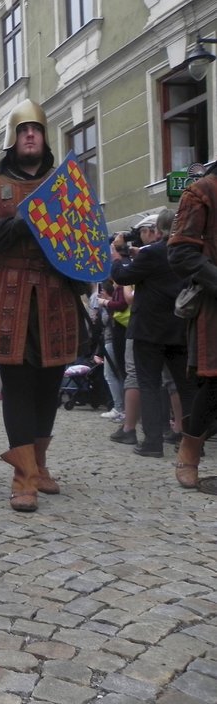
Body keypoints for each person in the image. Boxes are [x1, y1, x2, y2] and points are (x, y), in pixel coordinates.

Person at [0, 99, 86, 512]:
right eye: (22, 129)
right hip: (10, 290)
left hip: (55, 291)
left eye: (35, 128)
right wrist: (24, 220)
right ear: (12, 138)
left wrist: (82, 273)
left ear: (44, 135)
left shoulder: (64, 183)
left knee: (50, 382)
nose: (30, 134)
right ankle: (23, 476)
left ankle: (40, 463)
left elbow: (83, 233)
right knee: (17, 384)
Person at [110, 210, 196, 458]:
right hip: (179, 328)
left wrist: (119, 255)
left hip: (149, 331)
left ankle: (152, 442)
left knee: (149, 384)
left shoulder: (153, 252)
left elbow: (122, 276)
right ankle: (191, 443)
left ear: (158, 230)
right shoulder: (188, 252)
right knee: (184, 386)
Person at [167, 161, 217, 492]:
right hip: (215, 305)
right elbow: (181, 253)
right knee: (215, 388)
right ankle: (189, 453)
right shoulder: (203, 191)